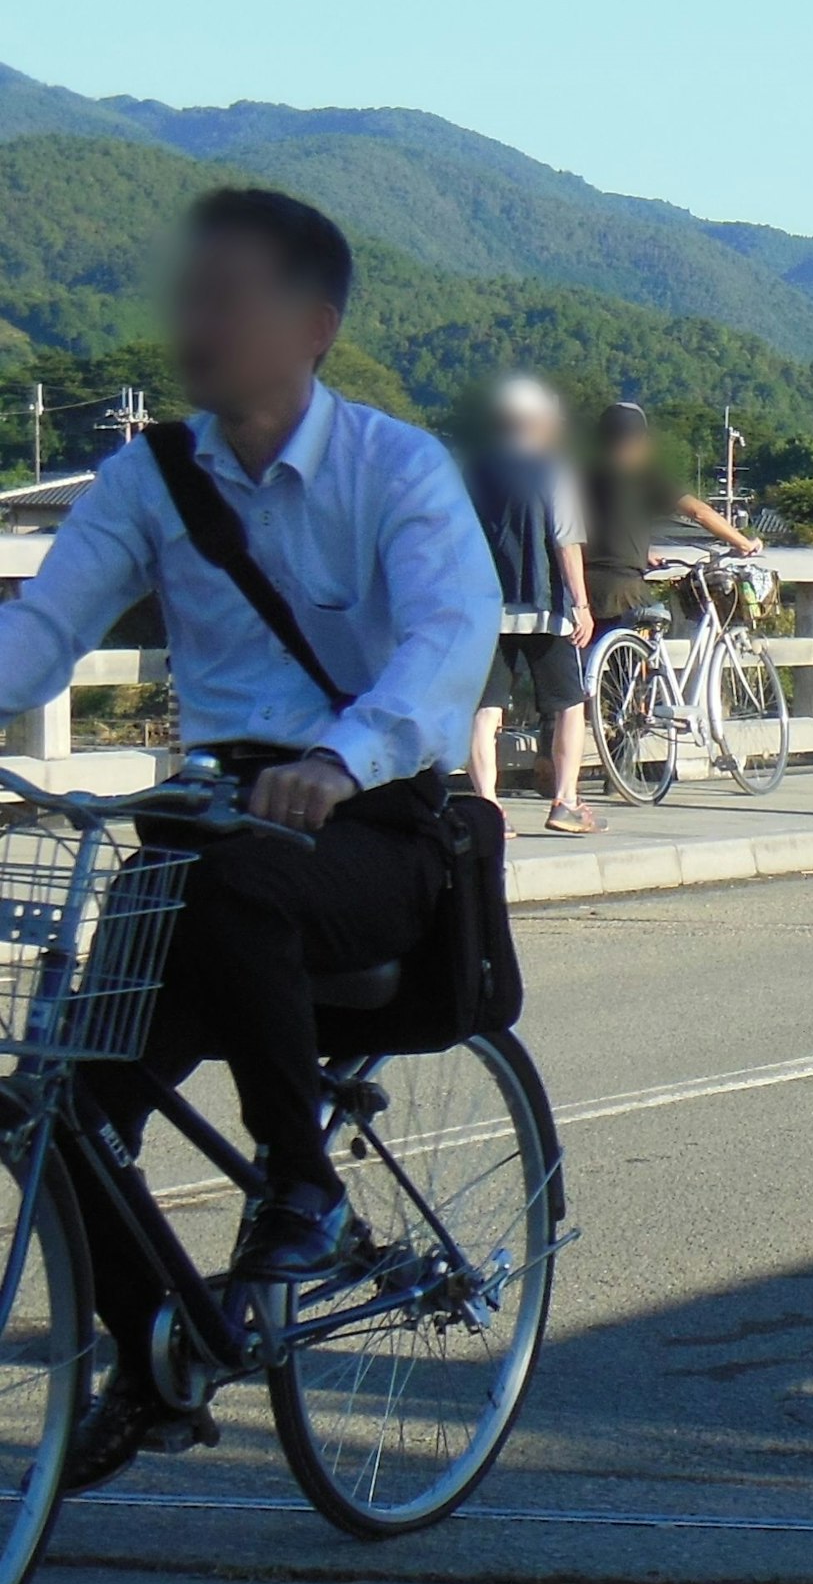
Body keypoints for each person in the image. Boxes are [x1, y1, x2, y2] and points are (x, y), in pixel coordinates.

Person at [0, 188, 497, 1485]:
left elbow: (452, 643)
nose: (196, 319)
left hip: (375, 828)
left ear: (314, 325)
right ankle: (160, 1351)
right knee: (72, 1094)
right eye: (189, 292)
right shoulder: (151, 476)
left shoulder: (395, 471)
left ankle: (302, 1182)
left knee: (233, 882)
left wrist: (344, 755)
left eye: (229, 295)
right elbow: (40, 632)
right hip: (210, 819)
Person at [466, 376, 599, 832]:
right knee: (568, 704)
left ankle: (488, 808)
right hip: (547, 608)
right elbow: (566, 542)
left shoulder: (470, 470)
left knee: (484, 710)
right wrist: (581, 603)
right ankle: (565, 802)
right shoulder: (552, 469)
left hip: (486, 609)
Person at [583, 397, 757, 632]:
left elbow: (605, 524)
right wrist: (743, 542)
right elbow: (699, 512)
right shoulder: (644, 477)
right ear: (641, 441)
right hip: (624, 589)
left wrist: (640, 551)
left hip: (582, 588)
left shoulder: (585, 475)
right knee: (655, 627)